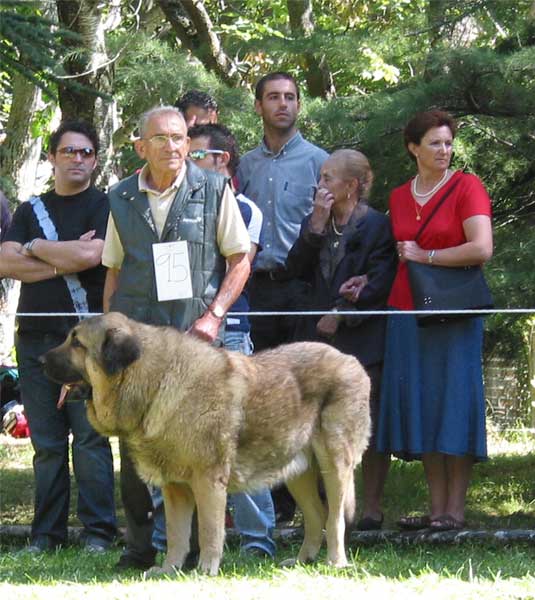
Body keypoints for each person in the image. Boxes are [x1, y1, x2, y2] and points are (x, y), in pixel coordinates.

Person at [102, 105, 251, 570]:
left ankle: (206, 551)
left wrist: (215, 316)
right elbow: (114, 272)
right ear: (141, 146)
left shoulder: (212, 188)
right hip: (138, 347)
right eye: (161, 138)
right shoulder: (120, 197)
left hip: (195, 341)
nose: (172, 146)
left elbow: (240, 258)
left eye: (179, 138)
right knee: (135, 448)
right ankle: (139, 548)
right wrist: (110, 336)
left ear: (189, 143)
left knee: (200, 448)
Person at [0, 120, 117, 553]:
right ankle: (45, 536)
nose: (77, 159)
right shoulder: (31, 208)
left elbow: (95, 253)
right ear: (51, 157)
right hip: (34, 338)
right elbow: (5, 262)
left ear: (95, 160)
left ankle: (98, 534)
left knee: (90, 439)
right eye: (69, 151)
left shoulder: (106, 204)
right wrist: (65, 256)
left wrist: (35, 247)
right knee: (47, 444)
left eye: (86, 153)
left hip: (85, 341)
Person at [376, 110, 493, 531]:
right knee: (424, 404)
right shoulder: (398, 197)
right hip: (407, 309)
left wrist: (427, 256)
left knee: (455, 402)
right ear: (414, 148)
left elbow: (481, 248)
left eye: (448, 142)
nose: (444, 150)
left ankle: (454, 511)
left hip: (455, 311)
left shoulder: (467, 186)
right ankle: (435, 507)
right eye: (434, 143)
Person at [286, 149, 397, 530]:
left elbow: (382, 279)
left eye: (328, 178)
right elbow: (294, 268)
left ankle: (370, 507)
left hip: (361, 336)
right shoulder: (315, 220)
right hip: (315, 338)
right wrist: (315, 226)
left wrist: (345, 310)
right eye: (321, 177)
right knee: (312, 422)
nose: (321, 185)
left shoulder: (377, 225)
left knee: (366, 421)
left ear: (351, 186)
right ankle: (320, 510)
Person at [236, 71, 328, 522]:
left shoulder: (318, 161)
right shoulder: (245, 165)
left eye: (291, 97)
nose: (283, 104)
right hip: (255, 289)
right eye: (273, 97)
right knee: (261, 395)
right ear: (259, 106)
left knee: (302, 394)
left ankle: (316, 502)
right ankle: (272, 502)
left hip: (302, 288)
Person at [188, 122, 276, 558]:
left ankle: (257, 541)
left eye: (194, 156)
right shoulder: (175, 203)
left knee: (238, 438)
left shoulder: (245, 210)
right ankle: (181, 544)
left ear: (220, 161)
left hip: (229, 335)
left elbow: (238, 269)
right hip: (180, 337)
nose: (184, 163)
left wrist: (212, 317)